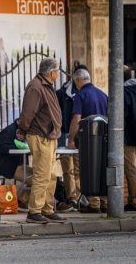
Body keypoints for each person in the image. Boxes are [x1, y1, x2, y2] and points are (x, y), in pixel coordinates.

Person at [18, 57, 66, 224]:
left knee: (51, 175)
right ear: (51, 72)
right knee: (42, 174)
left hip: (49, 136)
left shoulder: (45, 85)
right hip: (40, 136)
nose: (58, 74)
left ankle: (47, 209)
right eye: (57, 71)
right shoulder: (36, 87)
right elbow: (27, 114)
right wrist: (22, 130)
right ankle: (34, 211)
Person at [67, 68, 108, 213]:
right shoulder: (103, 94)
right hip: (104, 138)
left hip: (86, 140)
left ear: (78, 80)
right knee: (102, 168)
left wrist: (71, 138)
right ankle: (104, 201)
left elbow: (77, 118)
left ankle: (93, 203)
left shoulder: (80, 94)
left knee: (87, 169)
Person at [56, 62, 86, 210]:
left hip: (81, 136)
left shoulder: (85, 93)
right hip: (64, 135)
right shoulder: (62, 93)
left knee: (80, 169)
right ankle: (72, 198)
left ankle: (80, 197)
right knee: (67, 170)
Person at [123, 65, 136, 211]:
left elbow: (122, 117)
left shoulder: (124, 92)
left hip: (129, 137)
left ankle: (133, 200)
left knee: (131, 169)